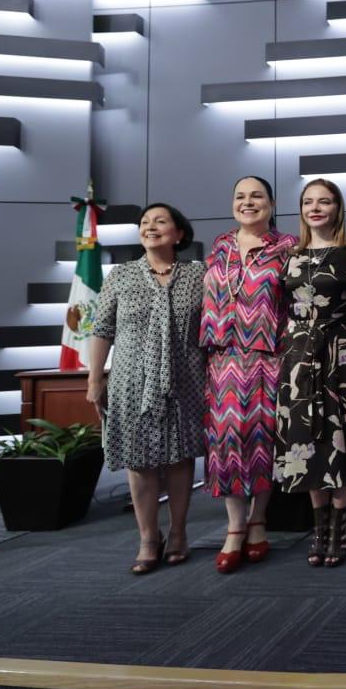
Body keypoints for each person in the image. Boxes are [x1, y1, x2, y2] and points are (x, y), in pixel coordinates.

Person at [86, 203, 207, 574]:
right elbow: (102, 330)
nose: (150, 227)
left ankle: (179, 533)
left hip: (186, 379)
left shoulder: (199, 275)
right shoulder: (120, 275)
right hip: (130, 381)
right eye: (144, 222)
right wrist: (94, 378)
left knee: (180, 457)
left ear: (179, 234)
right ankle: (148, 538)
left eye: (160, 221)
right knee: (139, 460)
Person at [200, 176, 298, 573]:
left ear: (271, 204)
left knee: (262, 440)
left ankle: (258, 520)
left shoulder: (287, 246)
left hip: (269, 356)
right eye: (240, 196)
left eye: (256, 196)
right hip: (222, 357)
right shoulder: (221, 245)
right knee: (226, 443)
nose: (247, 202)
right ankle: (234, 528)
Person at [274, 179, 346, 569]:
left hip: (343, 356)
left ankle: (339, 529)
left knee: (340, 439)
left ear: (337, 208)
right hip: (298, 358)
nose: (315, 208)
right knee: (306, 440)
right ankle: (319, 529)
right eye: (308, 202)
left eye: (324, 201)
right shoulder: (289, 257)